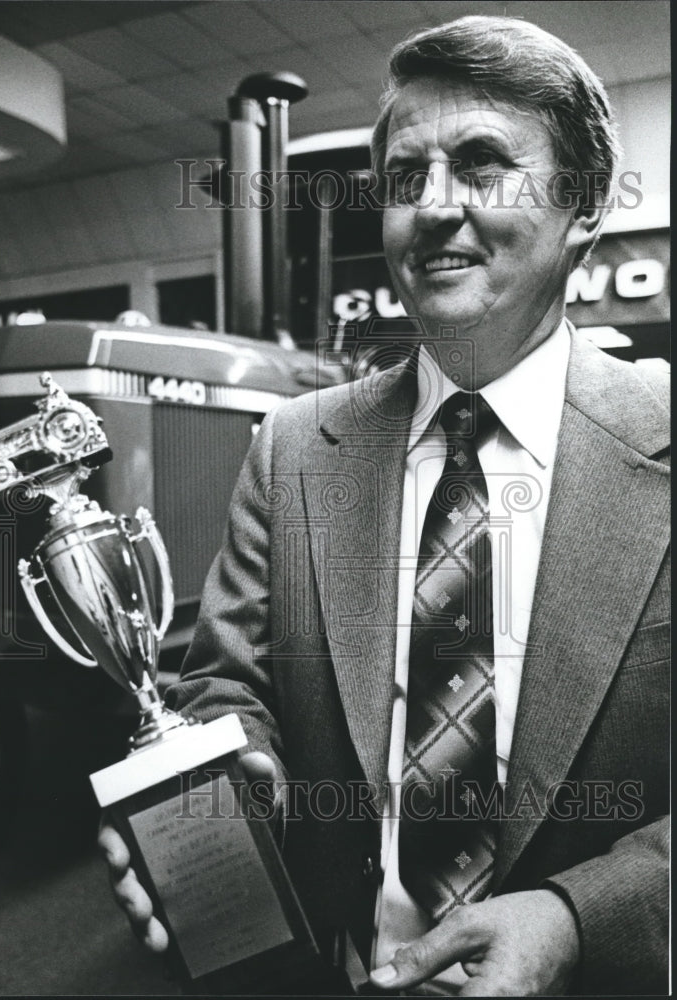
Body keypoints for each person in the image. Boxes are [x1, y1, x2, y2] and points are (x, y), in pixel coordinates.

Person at [99, 15, 669, 996]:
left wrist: (578, 915)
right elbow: (225, 690)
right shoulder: (293, 448)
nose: (433, 208)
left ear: (582, 206)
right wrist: (227, 798)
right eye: (405, 179)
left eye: (483, 164)